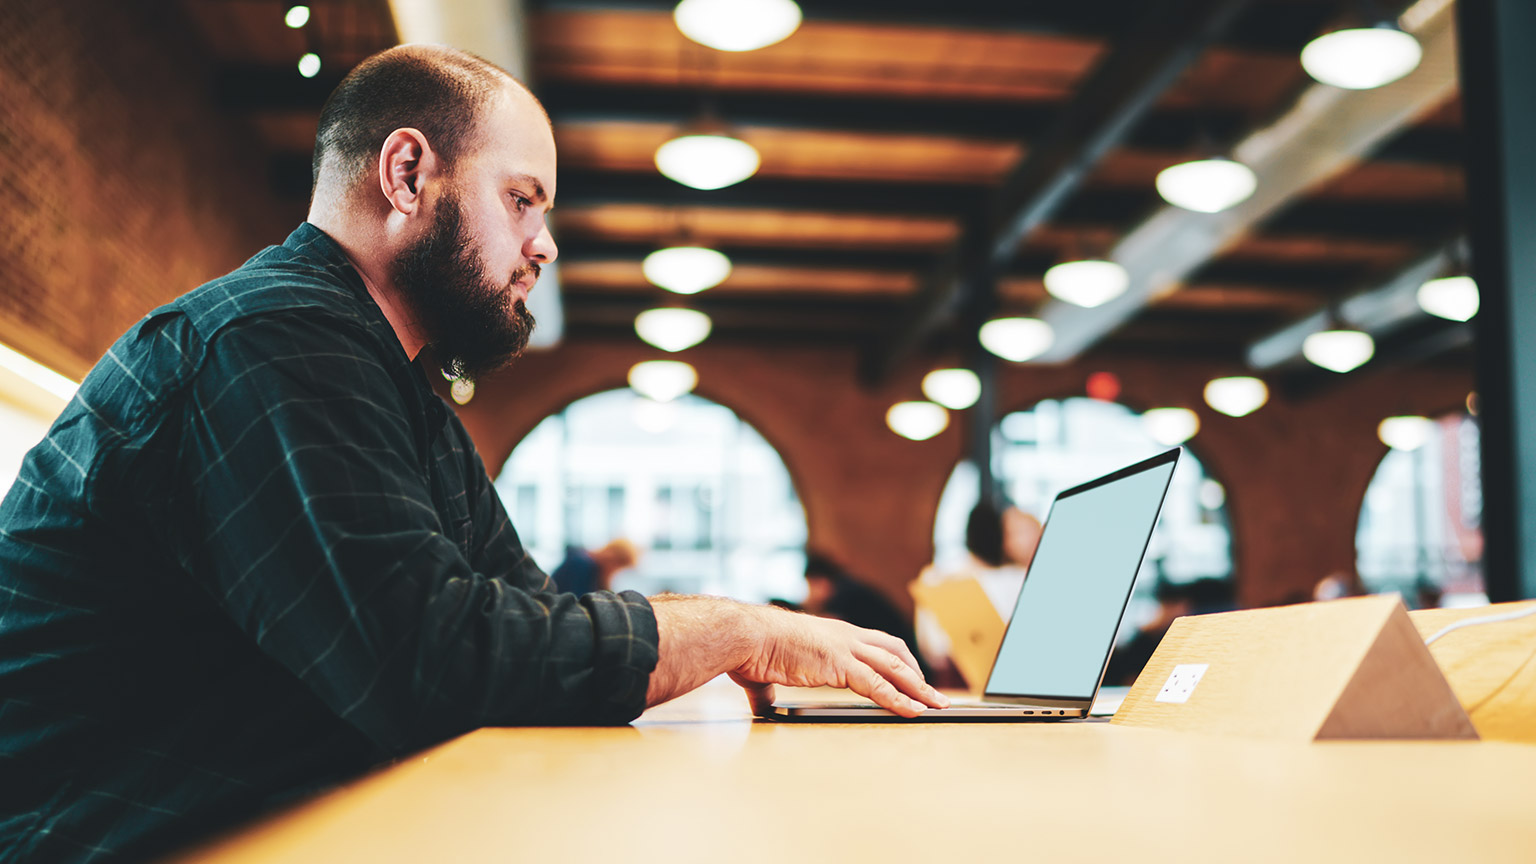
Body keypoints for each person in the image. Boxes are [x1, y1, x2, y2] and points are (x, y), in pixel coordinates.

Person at [0, 45, 945, 863]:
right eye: (522, 199)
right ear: (407, 174)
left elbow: (522, 626)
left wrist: (710, 641)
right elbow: (435, 670)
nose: (544, 246)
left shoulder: (394, 386)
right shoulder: (270, 341)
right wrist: (743, 630)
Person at [796, 552, 929, 678]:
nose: (810, 594)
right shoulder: (849, 587)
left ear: (821, 581)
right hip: (902, 658)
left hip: (904, 663)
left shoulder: (844, 593)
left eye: (811, 586)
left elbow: (823, 632)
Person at [550, 538, 640, 595]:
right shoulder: (581, 565)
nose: (615, 572)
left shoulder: (591, 567)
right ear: (613, 558)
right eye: (619, 568)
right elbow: (579, 602)